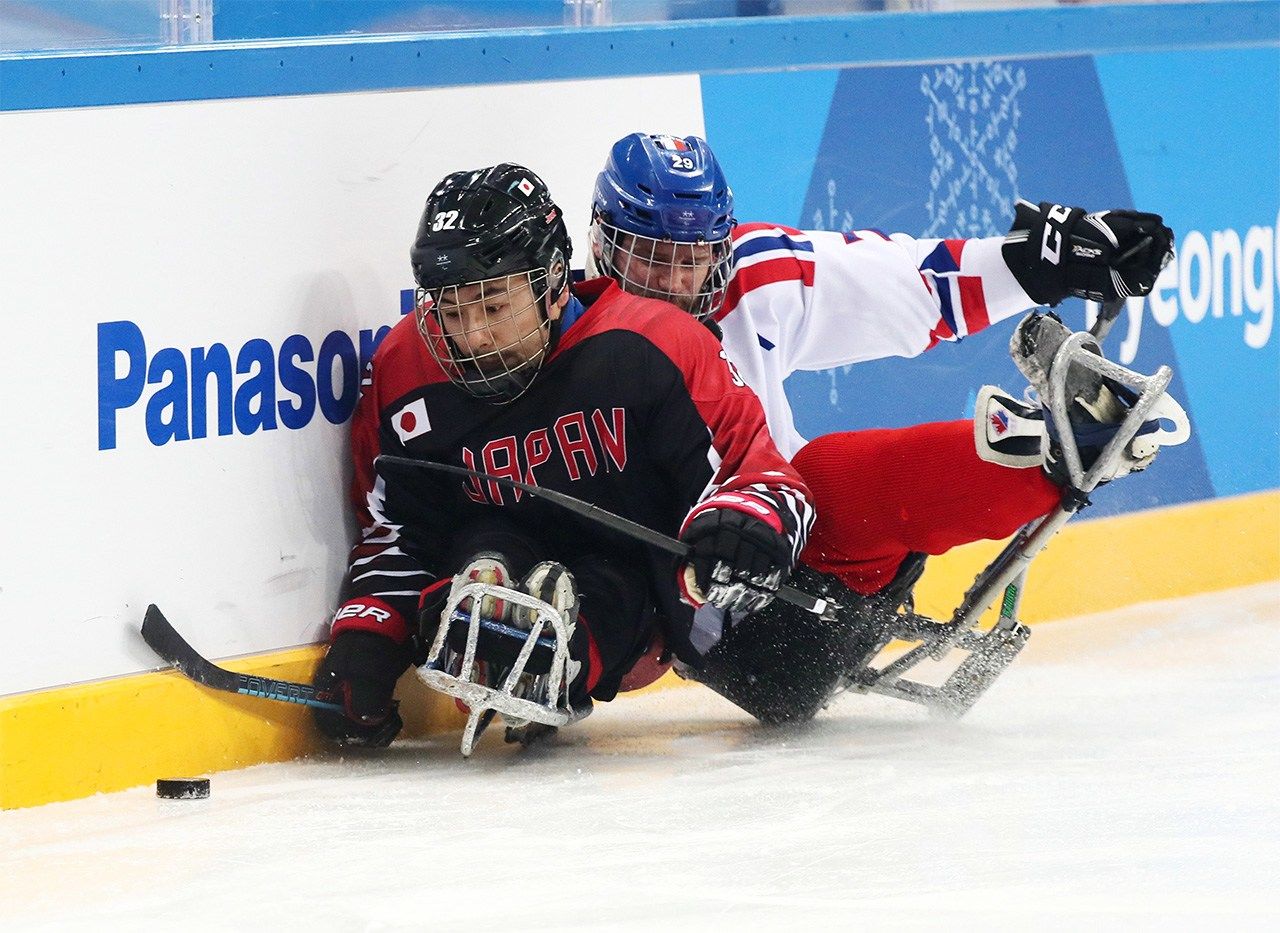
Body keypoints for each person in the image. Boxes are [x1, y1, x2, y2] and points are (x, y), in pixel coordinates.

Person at [587, 132, 1187, 721]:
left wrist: (1041, 261)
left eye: (692, 259)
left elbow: (912, 285)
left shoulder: (752, 276)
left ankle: (1055, 452)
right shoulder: (560, 336)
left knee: (823, 478)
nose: (674, 282)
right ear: (603, 244)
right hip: (670, 622)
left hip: (795, 597)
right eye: (651, 258)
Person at [310, 163, 815, 750]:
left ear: (552, 284)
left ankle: (567, 646)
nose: (472, 337)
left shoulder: (653, 345)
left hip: (637, 599)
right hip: (492, 551)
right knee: (485, 542)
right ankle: (491, 621)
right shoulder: (404, 370)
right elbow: (397, 532)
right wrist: (367, 638)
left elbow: (761, 472)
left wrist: (745, 524)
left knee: (613, 578)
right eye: (451, 311)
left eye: (493, 307)